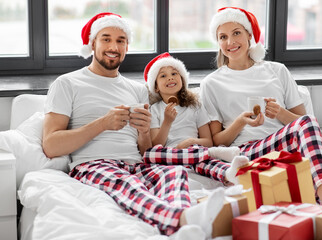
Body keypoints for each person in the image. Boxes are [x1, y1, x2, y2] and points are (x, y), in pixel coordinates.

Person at [42, 12, 226, 238]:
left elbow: (144, 149)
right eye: (106, 38)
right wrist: (103, 123)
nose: (114, 46)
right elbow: (50, 145)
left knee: (174, 174)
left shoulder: (137, 90)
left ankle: (185, 227)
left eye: (120, 41)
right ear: (92, 44)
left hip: (137, 163)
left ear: (127, 47)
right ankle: (183, 221)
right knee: (128, 185)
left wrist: (144, 131)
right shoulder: (67, 83)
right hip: (95, 164)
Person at [200, 7, 322, 209]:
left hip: (287, 146)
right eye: (223, 37)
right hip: (248, 151)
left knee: (310, 154)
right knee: (313, 165)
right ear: (218, 42)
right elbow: (215, 141)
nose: (230, 42)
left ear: (250, 35)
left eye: (237, 33)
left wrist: (281, 113)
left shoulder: (277, 70)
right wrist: (240, 122)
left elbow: (305, 123)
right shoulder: (211, 84)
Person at [142, 52, 248, 186]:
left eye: (174, 73)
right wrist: (167, 122)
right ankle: (213, 153)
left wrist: (191, 142)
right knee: (151, 154)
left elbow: (208, 141)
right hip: (169, 155)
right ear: (156, 87)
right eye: (163, 76)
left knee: (202, 162)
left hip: (194, 150)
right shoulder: (155, 110)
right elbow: (157, 145)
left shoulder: (195, 106)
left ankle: (228, 173)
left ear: (182, 79)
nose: (170, 78)